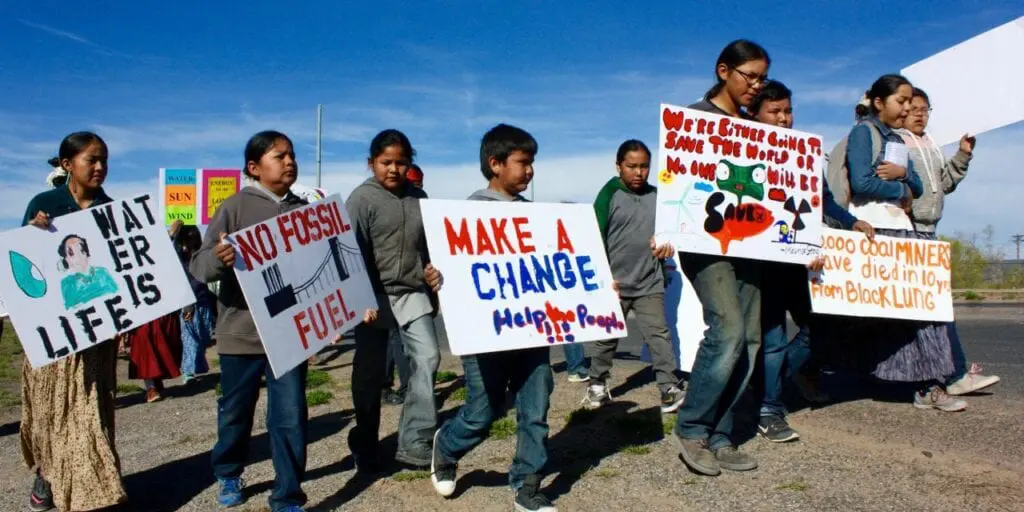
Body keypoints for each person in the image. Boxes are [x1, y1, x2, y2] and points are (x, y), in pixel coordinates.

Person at [819, 75, 964, 412]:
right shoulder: (863, 133)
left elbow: (916, 182)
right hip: (875, 232)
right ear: (880, 103)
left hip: (903, 229)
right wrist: (902, 189)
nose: (907, 109)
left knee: (925, 309)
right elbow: (863, 181)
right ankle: (808, 370)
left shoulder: (898, 138)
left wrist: (902, 178)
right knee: (861, 316)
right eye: (901, 101)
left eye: (911, 102)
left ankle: (931, 384)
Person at [430, 124, 556, 512]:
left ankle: (527, 483)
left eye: (532, 162)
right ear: (495, 163)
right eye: (523, 162)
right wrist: (437, 275)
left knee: (535, 409)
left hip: (532, 332)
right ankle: (447, 447)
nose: (530, 170)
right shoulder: (467, 212)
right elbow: (454, 269)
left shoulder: (534, 216)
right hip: (486, 336)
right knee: (482, 413)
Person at [191, 130, 315, 512]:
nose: (290, 162)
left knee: (291, 416)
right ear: (254, 167)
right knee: (235, 413)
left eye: (292, 155)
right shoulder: (234, 208)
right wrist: (220, 257)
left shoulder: (305, 211)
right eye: (280, 156)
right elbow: (199, 264)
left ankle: (288, 494)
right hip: (241, 333)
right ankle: (228, 472)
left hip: (290, 336)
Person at [748, 80, 875, 442]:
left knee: (825, 326)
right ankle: (769, 410)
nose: (784, 119)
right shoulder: (744, 151)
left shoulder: (803, 154)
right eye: (775, 112)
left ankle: (764, 387)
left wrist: (852, 222)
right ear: (755, 114)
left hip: (805, 263)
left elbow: (824, 201)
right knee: (771, 338)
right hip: (764, 266)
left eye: (788, 111)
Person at [668, 40, 769, 477]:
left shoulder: (755, 128)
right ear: (724, 70)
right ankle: (692, 427)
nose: (756, 85)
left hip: (755, 244)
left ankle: (720, 433)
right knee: (726, 329)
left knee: (749, 340)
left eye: (762, 78)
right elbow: (677, 185)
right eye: (750, 76)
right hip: (708, 245)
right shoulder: (693, 122)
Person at [20, 131, 127, 512]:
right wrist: (33, 231)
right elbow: (26, 268)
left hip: (97, 336)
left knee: (91, 412)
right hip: (55, 337)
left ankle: (92, 489)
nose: (99, 168)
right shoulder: (44, 205)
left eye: (104, 161)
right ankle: (47, 475)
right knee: (55, 413)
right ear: (67, 164)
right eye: (91, 160)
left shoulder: (112, 211)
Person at [346, 129, 444, 470]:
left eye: (401, 163)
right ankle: (364, 443)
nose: (393, 169)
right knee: (370, 375)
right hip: (373, 298)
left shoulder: (422, 198)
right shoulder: (361, 199)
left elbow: (432, 248)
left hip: (413, 293)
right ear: (371, 163)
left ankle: (415, 441)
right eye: (386, 162)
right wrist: (360, 297)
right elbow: (349, 253)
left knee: (429, 358)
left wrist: (433, 273)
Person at [897, 87, 999, 396]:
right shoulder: (897, 142)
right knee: (928, 310)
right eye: (913, 107)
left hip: (929, 234)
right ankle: (946, 379)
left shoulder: (931, 145)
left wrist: (963, 155)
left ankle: (948, 377)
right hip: (905, 233)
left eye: (925, 109)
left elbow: (943, 185)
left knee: (935, 309)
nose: (919, 114)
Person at [584, 140, 684, 413]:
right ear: (618, 166)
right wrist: (602, 278)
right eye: (632, 166)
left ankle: (669, 388)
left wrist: (666, 244)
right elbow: (593, 237)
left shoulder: (658, 196)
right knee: (606, 338)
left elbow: (672, 233)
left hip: (649, 281)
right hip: (614, 283)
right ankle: (597, 385)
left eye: (644, 166)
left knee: (659, 335)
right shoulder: (609, 194)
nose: (639, 172)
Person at [380, 164, 429, 405]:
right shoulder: (375, 203)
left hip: (414, 286)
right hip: (386, 287)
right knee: (394, 340)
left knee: (398, 340)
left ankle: (401, 384)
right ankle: (395, 384)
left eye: (418, 185)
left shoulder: (422, 204)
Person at [175, 224, 214, 384]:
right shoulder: (180, 258)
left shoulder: (201, 256)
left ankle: (198, 365)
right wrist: (175, 233)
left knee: (203, 336)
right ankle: (188, 371)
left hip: (203, 301)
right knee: (190, 337)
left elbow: (201, 279)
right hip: (187, 302)